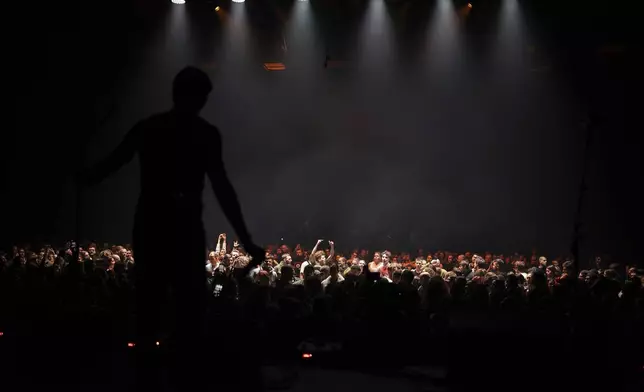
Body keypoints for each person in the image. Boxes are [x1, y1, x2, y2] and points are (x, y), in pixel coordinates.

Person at [78, 66, 264, 391]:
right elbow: (222, 188)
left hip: (150, 223)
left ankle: (147, 379)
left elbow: (108, 166)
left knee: (149, 307)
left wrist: (85, 175)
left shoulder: (148, 128)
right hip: (184, 227)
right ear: (197, 97)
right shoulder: (205, 134)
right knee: (188, 311)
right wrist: (245, 238)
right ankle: (182, 379)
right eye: (203, 97)